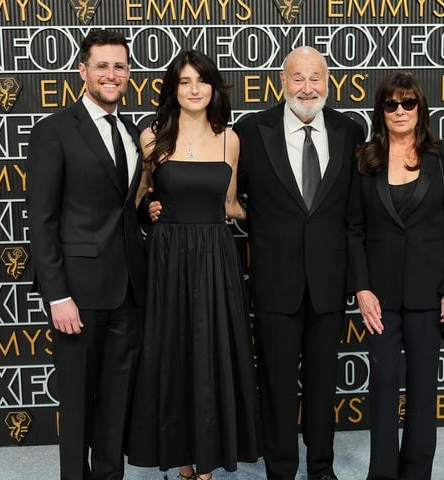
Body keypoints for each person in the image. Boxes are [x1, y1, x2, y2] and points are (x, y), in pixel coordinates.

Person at [126, 49, 260, 480]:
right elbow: (137, 195)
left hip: (216, 260)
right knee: (173, 354)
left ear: (212, 87)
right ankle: (184, 467)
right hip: (166, 258)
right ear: (174, 88)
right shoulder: (150, 136)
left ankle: (204, 469)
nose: (194, 89)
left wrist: (263, 217)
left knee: (211, 355)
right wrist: (147, 206)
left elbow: (231, 203)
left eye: (200, 80)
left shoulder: (230, 139)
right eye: (184, 81)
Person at [233, 46, 364, 480]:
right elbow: (231, 198)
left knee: (325, 384)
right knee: (276, 385)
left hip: (329, 280)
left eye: (315, 79)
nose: (307, 88)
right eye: (297, 78)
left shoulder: (350, 130)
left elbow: (353, 212)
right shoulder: (252, 131)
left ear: (328, 83)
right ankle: (282, 469)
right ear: (282, 82)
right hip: (274, 281)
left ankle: (322, 468)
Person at [25, 30, 146, 480]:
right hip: (77, 293)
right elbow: (42, 220)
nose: (111, 75)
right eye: (102, 66)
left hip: (130, 288)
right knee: (77, 403)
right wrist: (57, 295)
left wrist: (148, 211)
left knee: (117, 403)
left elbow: (122, 207)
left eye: (119, 66)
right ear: (83, 71)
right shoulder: (54, 130)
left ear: (129, 73)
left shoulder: (134, 132)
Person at [346, 72, 444, 480]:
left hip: (428, 293)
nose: (400, 111)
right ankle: (381, 474)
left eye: (408, 103)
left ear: (420, 108)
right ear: (380, 111)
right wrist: (361, 288)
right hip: (380, 296)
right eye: (391, 104)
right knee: (381, 386)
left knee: (422, 392)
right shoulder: (364, 157)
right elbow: (354, 229)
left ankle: (416, 474)